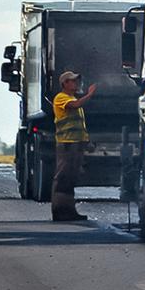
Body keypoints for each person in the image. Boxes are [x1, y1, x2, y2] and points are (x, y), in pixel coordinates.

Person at [51, 70, 97, 221]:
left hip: (75, 145)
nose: (76, 83)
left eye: (77, 80)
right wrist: (89, 95)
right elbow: (74, 105)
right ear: (65, 83)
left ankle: (69, 211)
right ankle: (60, 211)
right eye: (73, 81)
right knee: (63, 178)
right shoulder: (61, 98)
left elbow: (78, 126)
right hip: (67, 145)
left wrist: (86, 142)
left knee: (70, 179)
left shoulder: (71, 97)